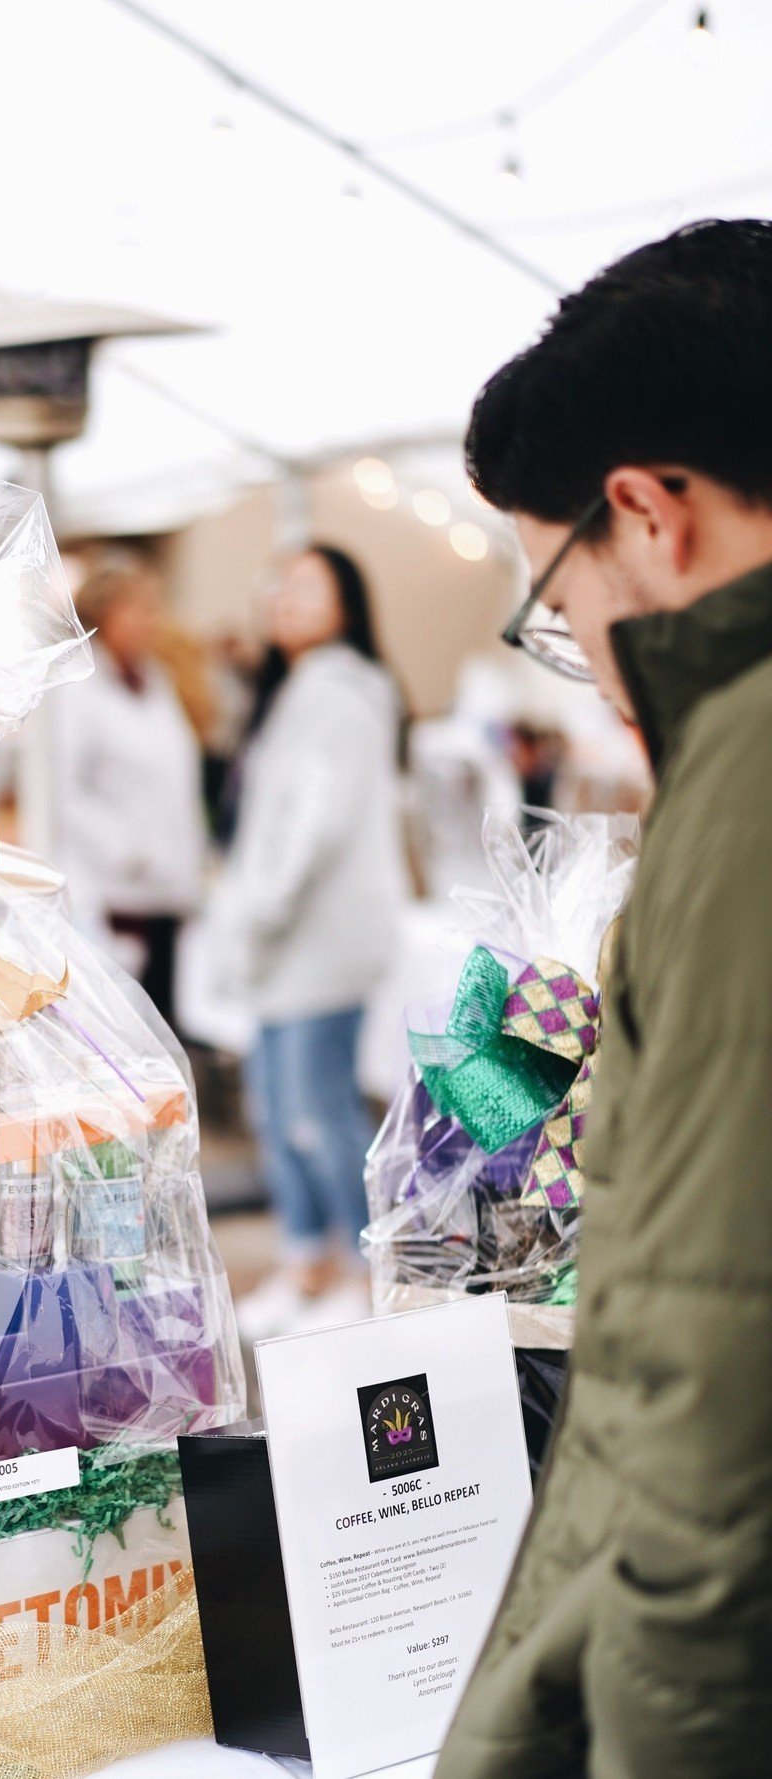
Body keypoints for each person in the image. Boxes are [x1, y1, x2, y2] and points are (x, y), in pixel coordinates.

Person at [437, 218, 772, 1779]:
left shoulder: (754, 775)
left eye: (556, 610)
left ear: (648, 511)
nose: (584, 653)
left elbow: (713, 1366)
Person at [221, 545, 407, 1336]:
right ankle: (307, 1262)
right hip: (289, 939)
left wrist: (260, 906)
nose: (285, 598)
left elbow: (314, 822)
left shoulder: (341, 692)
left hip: (316, 937)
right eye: (279, 583)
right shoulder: (304, 691)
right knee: (276, 1103)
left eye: (307, 585)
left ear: (348, 602)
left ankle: (369, 1275)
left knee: (316, 1109)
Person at [50, 554, 205, 1029]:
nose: (148, 622)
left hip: (166, 893)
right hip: (115, 895)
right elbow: (61, 789)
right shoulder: (77, 688)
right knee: (125, 1029)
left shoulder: (155, 681)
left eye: (152, 609)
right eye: (135, 609)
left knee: (167, 1027)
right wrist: (126, 851)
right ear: (102, 615)